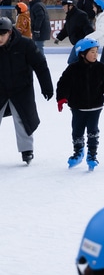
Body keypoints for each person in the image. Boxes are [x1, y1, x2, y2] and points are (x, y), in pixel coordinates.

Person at [0, 15, 53, 165]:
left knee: (22, 119)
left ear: (9, 32)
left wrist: (47, 87)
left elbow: (40, 65)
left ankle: (26, 150)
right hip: (1, 89)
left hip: (21, 89)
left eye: (2, 35)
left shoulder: (25, 45)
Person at [56, 37, 104, 171]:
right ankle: (78, 152)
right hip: (78, 106)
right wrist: (62, 98)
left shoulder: (101, 68)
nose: (95, 54)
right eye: (92, 52)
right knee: (77, 131)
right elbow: (63, 84)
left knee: (92, 131)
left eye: (96, 51)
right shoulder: (72, 69)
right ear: (82, 54)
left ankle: (92, 155)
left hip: (96, 106)